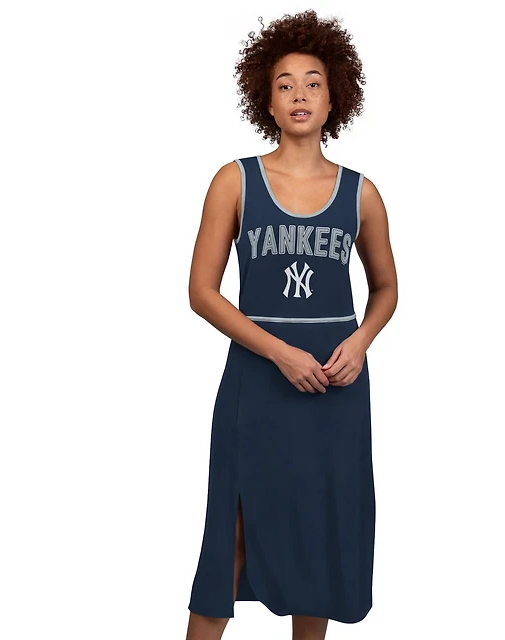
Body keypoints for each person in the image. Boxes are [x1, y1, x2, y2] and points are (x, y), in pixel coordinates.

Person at [185, 10, 397, 640]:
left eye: (312, 83)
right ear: (267, 101)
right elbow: (201, 293)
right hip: (257, 384)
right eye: (284, 84)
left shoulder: (361, 193)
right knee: (232, 535)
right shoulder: (235, 181)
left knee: (319, 534)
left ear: (335, 99)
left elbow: (386, 289)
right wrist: (279, 352)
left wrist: (360, 341)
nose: (299, 94)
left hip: (335, 387)